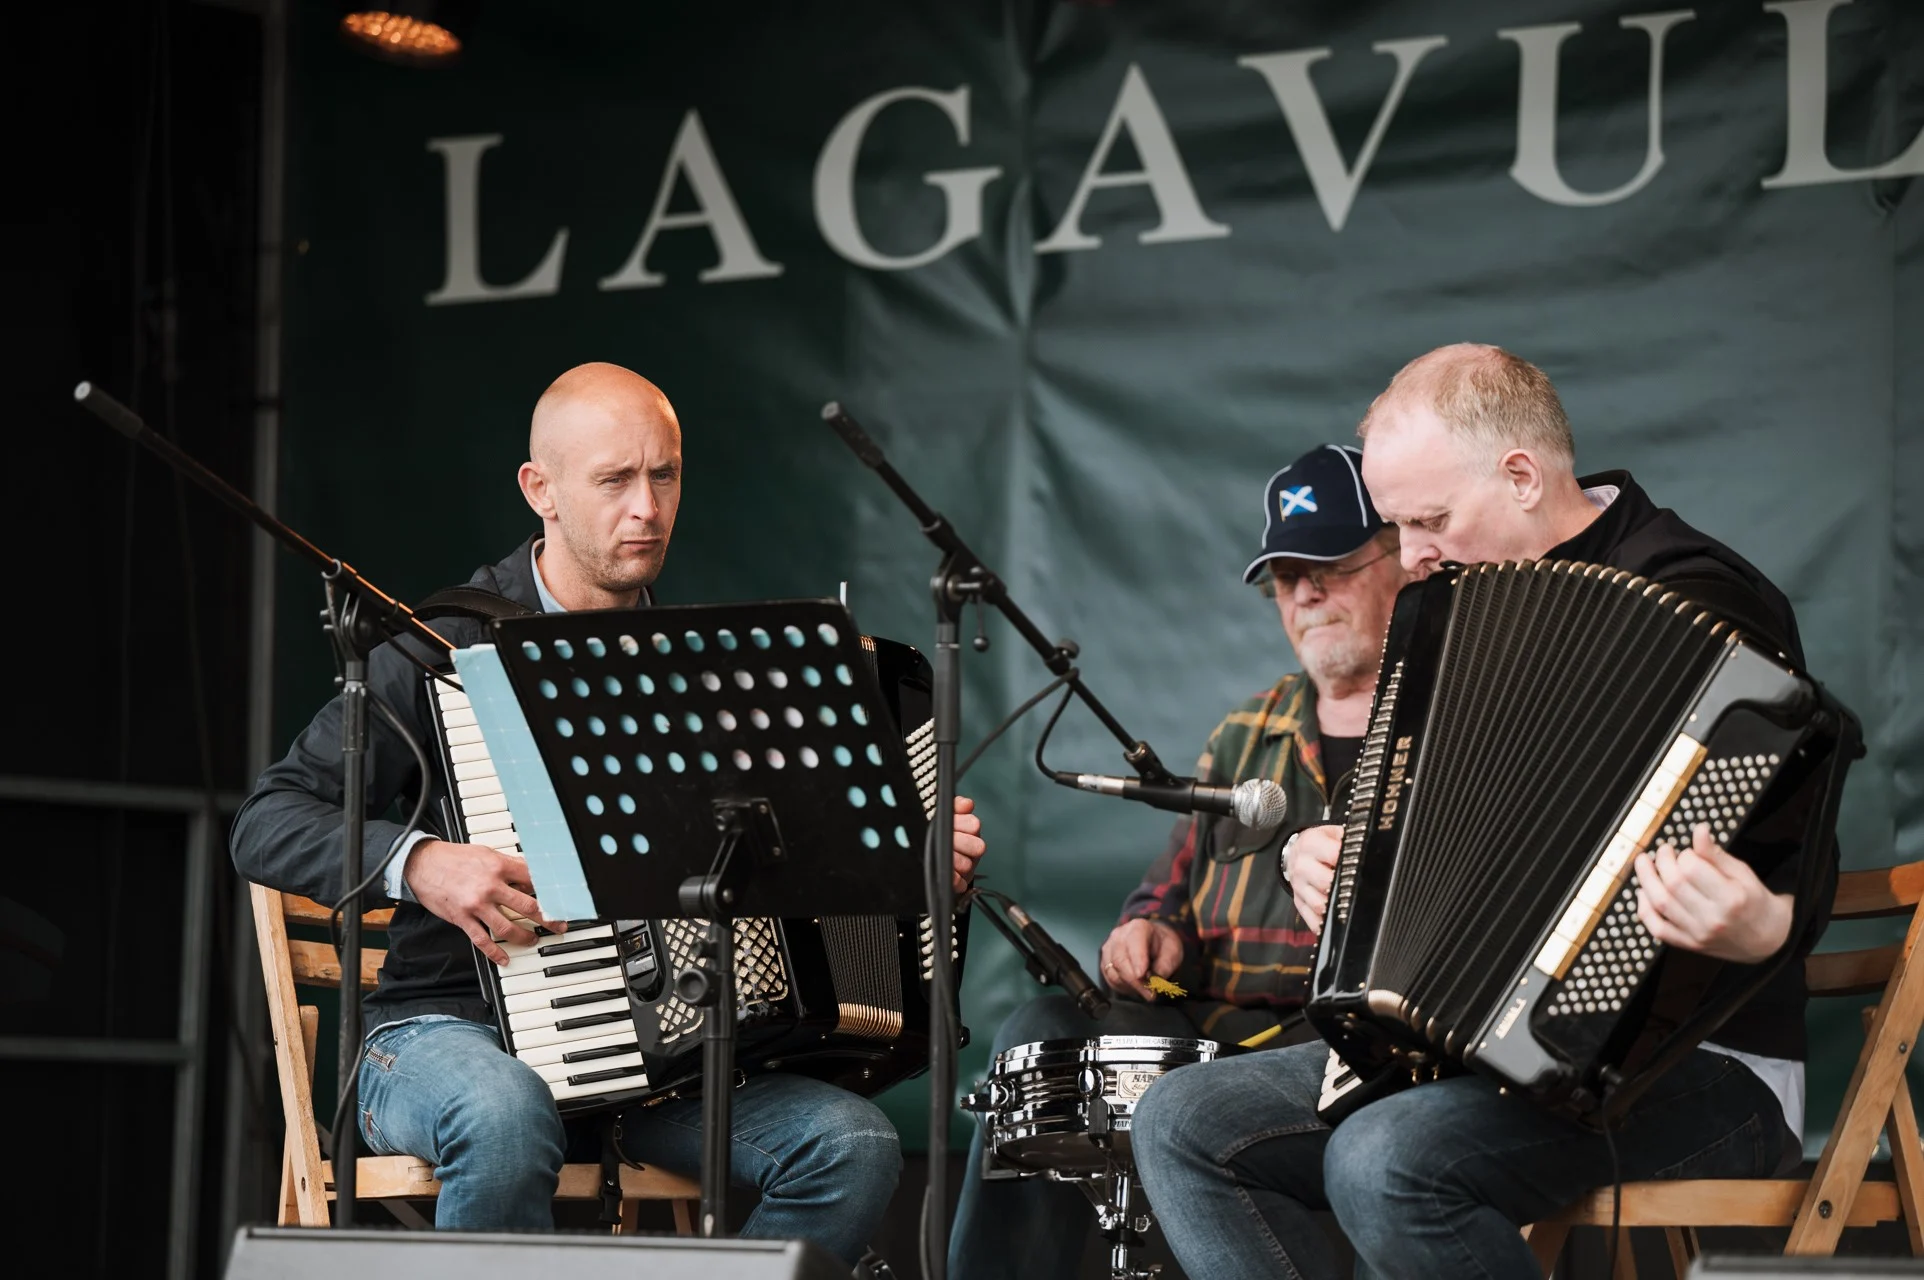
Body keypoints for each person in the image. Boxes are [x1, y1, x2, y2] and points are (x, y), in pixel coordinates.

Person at [231, 362, 987, 1265]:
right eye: (615, 480)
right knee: (505, 1113)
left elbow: (776, 892)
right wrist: (423, 861)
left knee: (851, 1145)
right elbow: (268, 818)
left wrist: (901, 868)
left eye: (664, 476)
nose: (647, 509)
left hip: (658, 1066)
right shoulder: (437, 653)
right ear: (540, 490)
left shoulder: (703, 673)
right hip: (444, 1033)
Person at [1131, 343, 1835, 1280]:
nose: (1410, 553)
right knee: (1182, 1119)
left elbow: (1795, 849)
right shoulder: (1448, 616)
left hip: (1697, 1063)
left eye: (1430, 520)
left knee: (1385, 1159)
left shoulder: (1701, 599)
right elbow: (1424, 827)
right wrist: (1337, 862)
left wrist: (1767, 923)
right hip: (1469, 1057)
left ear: (1522, 476)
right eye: (1397, 524)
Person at [949, 443, 1409, 1280]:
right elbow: (1168, 897)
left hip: (1348, 1053)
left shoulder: (1440, 719)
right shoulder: (1244, 734)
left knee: (1190, 1107)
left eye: (1331, 567)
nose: (1305, 594)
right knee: (1037, 1043)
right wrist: (1151, 934)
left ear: (1403, 561)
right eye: (1285, 578)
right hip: (1207, 1035)